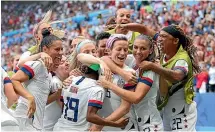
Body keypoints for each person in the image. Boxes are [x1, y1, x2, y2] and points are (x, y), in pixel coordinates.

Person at [118, 23, 200, 131]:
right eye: (159, 36)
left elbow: (177, 76)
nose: (159, 39)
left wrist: (153, 66)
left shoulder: (181, 58)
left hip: (182, 110)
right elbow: (144, 29)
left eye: (163, 37)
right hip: (167, 109)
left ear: (175, 41)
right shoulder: (165, 48)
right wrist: (123, 26)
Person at [53, 39, 129, 131]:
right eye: (87, 52)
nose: (91, 55)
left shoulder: (73, 79)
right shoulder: (90, 85)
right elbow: (90, 116)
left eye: (94, 51)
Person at [97, 34, 164, 131]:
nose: (138, 51)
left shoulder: (150, 68)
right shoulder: (132, 59)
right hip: (136, 120)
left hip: (150, 123)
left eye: (143, 48)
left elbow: (136, 98)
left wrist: (110, 85)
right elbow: (105, 58)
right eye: (135, 47)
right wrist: (122, 73)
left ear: (150, 51)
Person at [77, 34, 138, 131]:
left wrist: (99, 125)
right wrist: (101, 62)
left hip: (123, 127)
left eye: (125, 50)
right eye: (118, 49)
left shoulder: (130, 73)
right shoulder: (101, 67)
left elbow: (125, 108)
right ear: (109, 50)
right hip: (105, 126)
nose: (122, 53)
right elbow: (80, 56)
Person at [11, 29, 63, 131]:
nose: (60, 53)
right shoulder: (38, 64)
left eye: (62, 49)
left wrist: (57, 94)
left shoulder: (47, 73)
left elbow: (41, 101)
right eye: (57, 49)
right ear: (45, 49)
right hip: (25, 119)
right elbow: (14, 80)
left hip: (35, 122)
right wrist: (29, 97)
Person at [43, 55, 70, 131]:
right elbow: (65, 109)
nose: (67, 64)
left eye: (67, 61)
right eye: (62, 62)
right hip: (49, 128)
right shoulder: (56, 83)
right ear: (54, 69)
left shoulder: (62, 81)